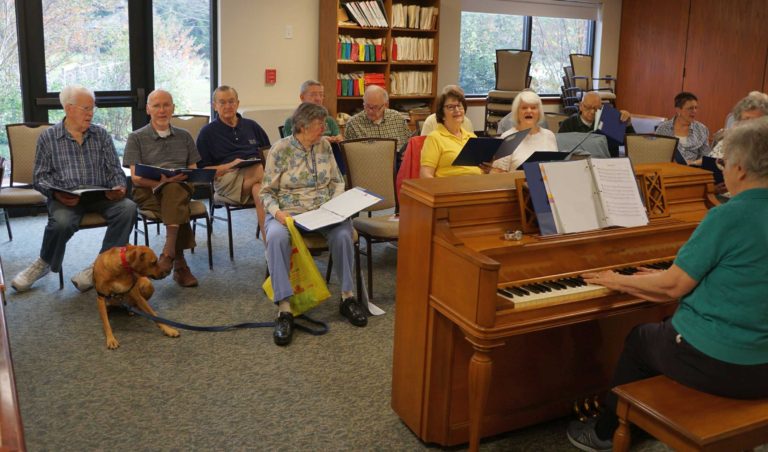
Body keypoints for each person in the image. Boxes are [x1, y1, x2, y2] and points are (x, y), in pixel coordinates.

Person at [566, 116, 768, 452]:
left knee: (641, 338)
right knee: (663, 328)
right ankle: (643, 413)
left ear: (742, 169)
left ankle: (605, 432)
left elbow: (673, 288)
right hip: (762, 363)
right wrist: (663, 278)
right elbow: (741, 273)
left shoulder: (729, 215)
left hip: (723, 363)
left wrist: (618, 280)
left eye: (724, 164)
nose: (723, 172)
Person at [11, 85, 136, 293]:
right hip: (65, 197)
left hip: (100, 195)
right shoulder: (48, 137)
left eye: (92, 108)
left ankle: (100, 267)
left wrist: (119, 186)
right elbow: (40, 178)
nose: (90, 113)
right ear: (69, 109)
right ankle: (43, 263)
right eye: (85, 108)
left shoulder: (101, 135)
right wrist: (56, 193)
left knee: (128, 208)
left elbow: (115, 169)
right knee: (62, 221)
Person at [261, 102, 367, 346]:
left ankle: (347, 297)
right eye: (320, 125)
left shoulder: (324, 147)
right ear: (302, 126)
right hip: (288, 213)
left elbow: (337, 181)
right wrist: (278, 213)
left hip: (323, 212)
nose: (324, 129)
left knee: (343, 234)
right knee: (276, 238)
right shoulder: (280, 150)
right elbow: (266, 193)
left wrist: (338, 204)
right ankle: (285, 308)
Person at [123, 89, 201, 288]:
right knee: (175, 202)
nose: (162, 110)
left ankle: (168, 253)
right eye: (156, 106)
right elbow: (136, 178)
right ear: (148, 109)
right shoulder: (136, 137)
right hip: (148, 191)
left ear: (173, 108)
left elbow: (193, 171)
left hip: (180, 189)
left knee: (174, 190)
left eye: (166, 105)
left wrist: (178, 179)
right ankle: (179, 264)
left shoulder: (185, 136)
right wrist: (161, 182)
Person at [196, 85, 270, 237]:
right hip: (226, 178)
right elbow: (202, 171)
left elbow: (268, 152)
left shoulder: (251, 126)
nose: (227, 106)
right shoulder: (207, 133)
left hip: (255, 176)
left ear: (238, 103)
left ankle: (270, 247)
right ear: (214, 106)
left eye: (231, 101)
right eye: (222, 102)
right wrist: (230, 165)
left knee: (259, 190)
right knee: (262, 173)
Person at [419, 86, 482, 178]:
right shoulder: (434, 138)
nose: (457, 110)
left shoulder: (472, 137)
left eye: (459, 105)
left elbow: (480, 169)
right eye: (450, 107)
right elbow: (425, 174)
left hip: (476, 186)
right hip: (450, 188)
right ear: (442, 114)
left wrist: (487, 168)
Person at [491, 90, 558, 172]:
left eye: (533, 108)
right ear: (517, 112)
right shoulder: (507, 137)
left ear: (539, 112)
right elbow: (497, 174)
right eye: (524, 108)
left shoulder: (549, 135)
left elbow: (555, 167)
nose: (529, 111)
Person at [558, 91, 634, 157]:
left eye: (596, 108)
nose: (592, 112)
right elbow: (560, 149)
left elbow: (633, 143)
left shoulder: (609, 120)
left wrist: (627, 124)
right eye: (588, 107)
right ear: (581, 106)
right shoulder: (568, 124)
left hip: (607, 164)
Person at [344, 85, 412, 151]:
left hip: (396, 161)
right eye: (367, 106)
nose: (370, 111)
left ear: (385, 105)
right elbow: (349, 156)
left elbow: (409, 144)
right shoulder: (353, 124)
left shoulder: (397, 118)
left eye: (375, 107)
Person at [655, 91, 710, 165]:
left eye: (696, 108)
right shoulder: (663, 128)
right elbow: (657, 154)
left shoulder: (702, 129)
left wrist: (694, 163)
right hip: (668, 169)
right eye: (690, 108)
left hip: (693, 170)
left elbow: (706, 156)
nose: (694, 111)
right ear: (678, 110)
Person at [709, 91, 768, 158]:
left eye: (756, 121)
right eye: (746, 120)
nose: (751, 125)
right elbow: (711, 162)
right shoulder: (728, 141)